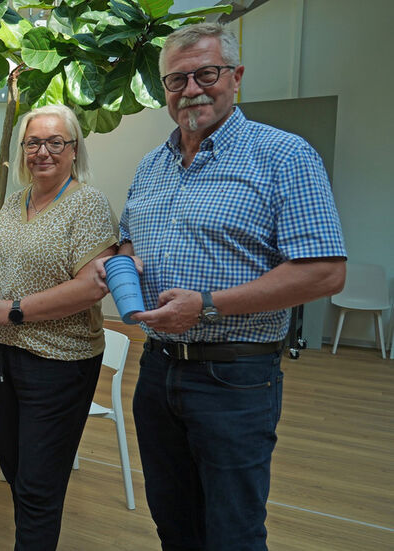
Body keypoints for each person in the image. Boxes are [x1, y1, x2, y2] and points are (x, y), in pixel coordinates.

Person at [104, 22, 347, 550]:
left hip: (235, 378)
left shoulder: (285, 156)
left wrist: (207, 306)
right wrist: (121, 265)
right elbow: (128, 241)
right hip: (158, 370)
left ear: (235, 77)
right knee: (173, 522)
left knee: (233, 531)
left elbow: (325, 271)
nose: (191, 89)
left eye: (205, 74)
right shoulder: (152, 166)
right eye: (176, 81)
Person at [0, 104, 118, 550]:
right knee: (13, 471)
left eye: (55, 142)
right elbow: (8, 267)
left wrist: (12, 309)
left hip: (59, 361)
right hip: (5, 355)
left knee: (39, 486)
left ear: (73, 150)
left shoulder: (86, 203)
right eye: (33, 142)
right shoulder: (15, 202)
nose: (42, 152)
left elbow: (93, 286)